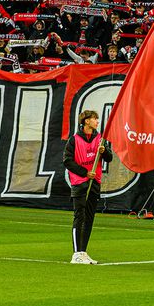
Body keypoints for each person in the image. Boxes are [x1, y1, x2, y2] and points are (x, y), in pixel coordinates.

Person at [63, 109, 111, 264]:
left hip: (95, 182)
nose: (97, 121)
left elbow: (109, 158)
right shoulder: (74, 140)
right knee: (79, 216)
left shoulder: (100, 138)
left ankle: (83, 251)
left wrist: (104, 152)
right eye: (94, 119)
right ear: (86, 121)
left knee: (89, 218)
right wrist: (84, 172)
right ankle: (76, 253)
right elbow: (67, 161)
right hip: (80, 183)